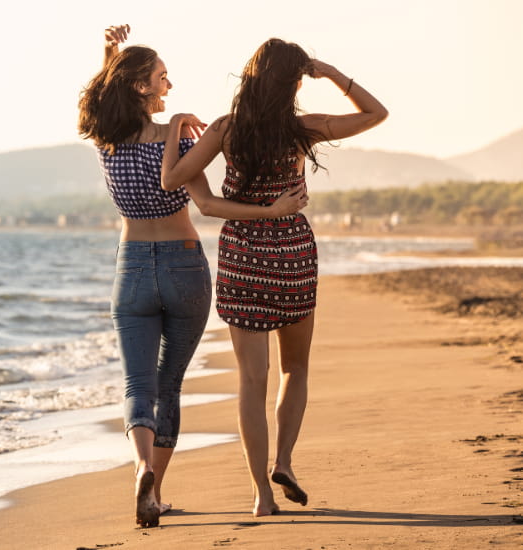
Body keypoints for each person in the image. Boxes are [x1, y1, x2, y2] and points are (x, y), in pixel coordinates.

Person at [78, 27, 309, 528]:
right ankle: (155, 490)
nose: (169, 85)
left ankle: (141, 468)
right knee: (171, 384)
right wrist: (270, 210)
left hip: (132, 265)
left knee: (137, 383)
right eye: (162, 78)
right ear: (141, 87)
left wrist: (109, 55)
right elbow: (204, 204)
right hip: (185, 264)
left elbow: (100, 95)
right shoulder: (179, 137)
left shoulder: (106, 137)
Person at [161, 38, 388, 517]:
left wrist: (175, 128)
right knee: (295, 369)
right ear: (293, 83)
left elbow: (177, 183)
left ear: (250, 78)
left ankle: (262, 495)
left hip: (244, 255)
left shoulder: (226, 130)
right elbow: (375, 114)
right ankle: (283, 461)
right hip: (293, 255)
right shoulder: (302, 130)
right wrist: (330, 72)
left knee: (251, 380)